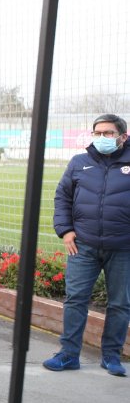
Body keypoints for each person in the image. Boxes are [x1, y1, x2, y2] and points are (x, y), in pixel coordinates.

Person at [43, 114, 130, 377]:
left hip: (123, 248)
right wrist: (66, 231)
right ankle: (69, 354)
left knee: (120, 304)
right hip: (83, 246)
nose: (101, 138)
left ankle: (112, 357)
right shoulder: (79, 163)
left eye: (107, 133)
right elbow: (62, 197)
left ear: (122, 136)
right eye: (97, 133)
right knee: (75, 299)